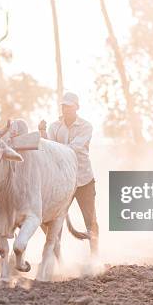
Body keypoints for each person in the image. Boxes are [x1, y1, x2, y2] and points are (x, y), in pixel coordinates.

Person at [39, 92, 98, 256]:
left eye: (69, 106)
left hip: (83, 179)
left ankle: (95, 256)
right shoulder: (54, 127)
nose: (66, 109)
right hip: (62, 182)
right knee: (54, 219)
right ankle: (57, 257)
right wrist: (42, 133)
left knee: (90, 219)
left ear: (77, 108)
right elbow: (48, 148)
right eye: (64, 106)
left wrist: (51, 145)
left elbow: (73, 148)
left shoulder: (86, 127)